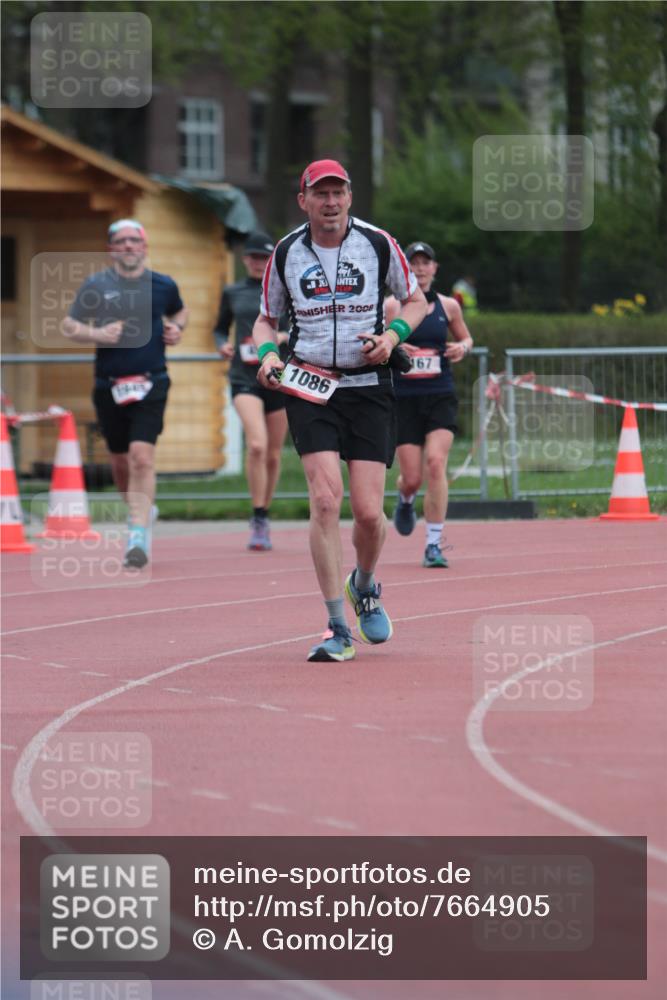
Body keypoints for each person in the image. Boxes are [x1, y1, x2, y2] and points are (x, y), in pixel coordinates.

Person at [252, 159, 427, 663]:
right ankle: (336, 627)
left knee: (370, 514)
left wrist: (392, 336)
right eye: (320, 193)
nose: (330, 202)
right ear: (302, 199)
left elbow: (414, 302)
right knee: (326, 500)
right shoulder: (286, 252)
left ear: (350, 197)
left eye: (339, 193)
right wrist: (268, 356)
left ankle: (364, 584)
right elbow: (266, 321)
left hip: (369, 385)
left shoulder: (376, 244)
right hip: (309, 385)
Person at [62, 218, 187, 569]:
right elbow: (70, 325)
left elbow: (180, 310)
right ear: (111, 249)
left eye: (135, 240)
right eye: (122, 241)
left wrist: (176, 328)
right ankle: (141, 512)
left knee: (141, 457)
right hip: (109, 385)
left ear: (144, 247)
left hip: (152, 382)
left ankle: (136, 533)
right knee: (119, 462)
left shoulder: (162, 285)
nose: (129, 246)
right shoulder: (96, 286)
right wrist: (97, 335)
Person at [385, 241, 473, 568]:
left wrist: (462, 348)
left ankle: (433, 545)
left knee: (436, 462)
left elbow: (466, 337)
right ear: (404, 269)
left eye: (426, 263)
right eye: (414, 264)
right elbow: (375, 343)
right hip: (405, 399)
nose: (420, 269)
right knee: (412, 477)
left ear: (435, 269)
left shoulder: (449, 306)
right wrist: (394, 346)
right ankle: (406, 498)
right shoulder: (392, 307)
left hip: (439, 394)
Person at [214, 232, 289, 551]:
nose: (259, 263)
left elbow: (300, 327)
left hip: (280, 377)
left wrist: (283, 338)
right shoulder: (232, 292)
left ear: (271, 260)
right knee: (256, 445)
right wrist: (223, 345)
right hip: (244, 377)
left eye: (264, 258)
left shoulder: (284, 291)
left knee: (273, 452)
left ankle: (265, 512)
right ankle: (257, 515)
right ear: (245, 260)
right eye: (254, 257)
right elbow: (219, 328)